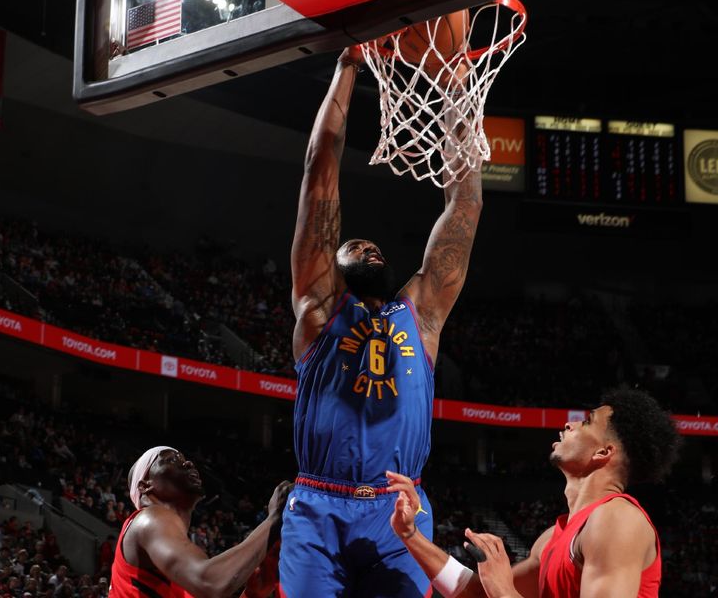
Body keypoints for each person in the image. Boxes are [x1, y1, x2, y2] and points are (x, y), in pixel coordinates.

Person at [281, 39, 483, 596]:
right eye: (354, 247)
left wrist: (459, 90)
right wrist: (347, 67)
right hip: (319, 507)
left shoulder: (420, 313)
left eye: (374, 247)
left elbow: (464, 207)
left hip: (400, 509)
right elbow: (319, 169)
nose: (368, 250)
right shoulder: (320, 310)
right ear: (331, 266)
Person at [387, 388, 681, 598]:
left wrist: (503, 589)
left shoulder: (618, 520)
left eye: (588, 421)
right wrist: (410, 535)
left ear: (604, 452)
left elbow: (498, 592)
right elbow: (478, 593)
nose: (570, 423)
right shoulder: (554, 537)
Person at [109, 446, 291, 598]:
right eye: (171, 460)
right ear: (145, 486)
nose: (188, 463)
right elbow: (210, 583)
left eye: (184, 458)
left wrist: (253, 594)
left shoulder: (182, 575)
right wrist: (273, 519)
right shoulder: (148, 519)